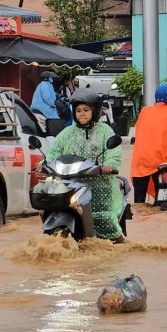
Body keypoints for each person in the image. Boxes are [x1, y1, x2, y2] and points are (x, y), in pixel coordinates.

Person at [43, 88, 124, 242]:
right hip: (73, 185)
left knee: (105, 220)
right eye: (78, 110)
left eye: (86, 110)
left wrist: (109, 165)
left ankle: (121, 243)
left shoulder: (105, 131)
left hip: (101, 186)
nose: (82, 113)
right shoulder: (67, 133)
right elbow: (54, 153)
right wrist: (44, 164)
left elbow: (113, 152)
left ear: (95, 111)